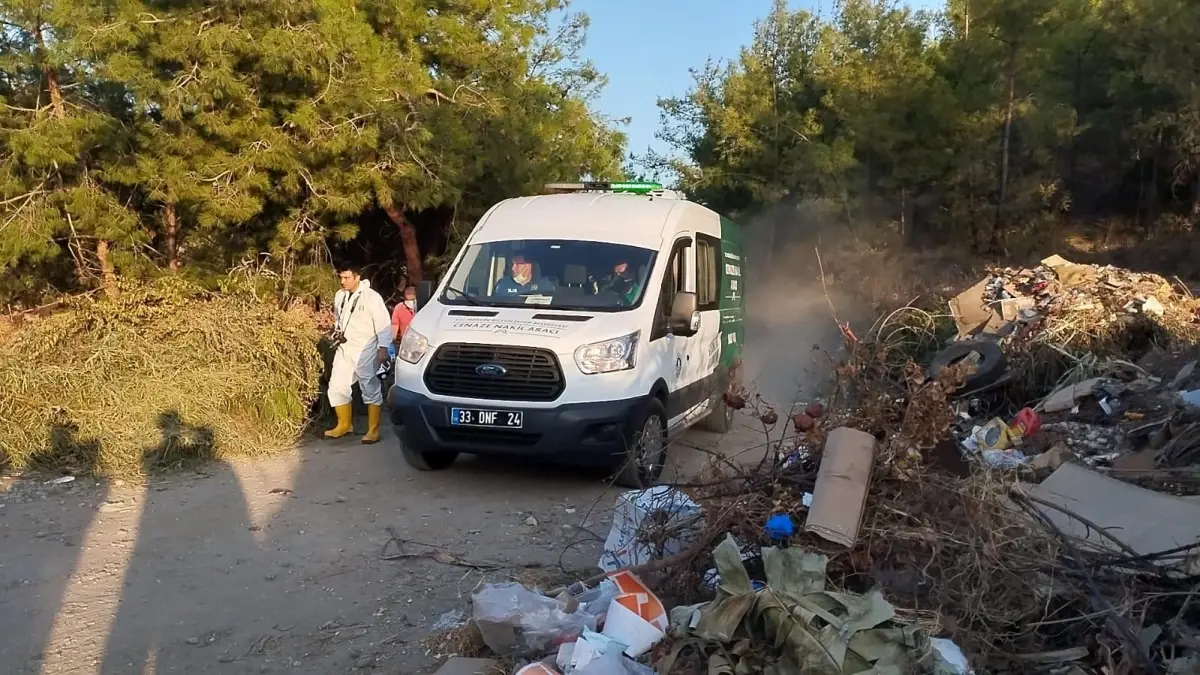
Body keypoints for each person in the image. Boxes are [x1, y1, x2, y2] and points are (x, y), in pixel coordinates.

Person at [325, 264, 393, 444]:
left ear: (357, 277)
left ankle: (373, 430)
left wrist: (383, 348)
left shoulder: (371, 297)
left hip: (366, 348)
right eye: (341, 277)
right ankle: (344, 424)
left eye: (346, 278)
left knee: (369, 386)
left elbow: (383, 323)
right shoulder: (340, 295)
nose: (343, 281)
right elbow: (339, 320)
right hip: (345, 347)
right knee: (337, 385)